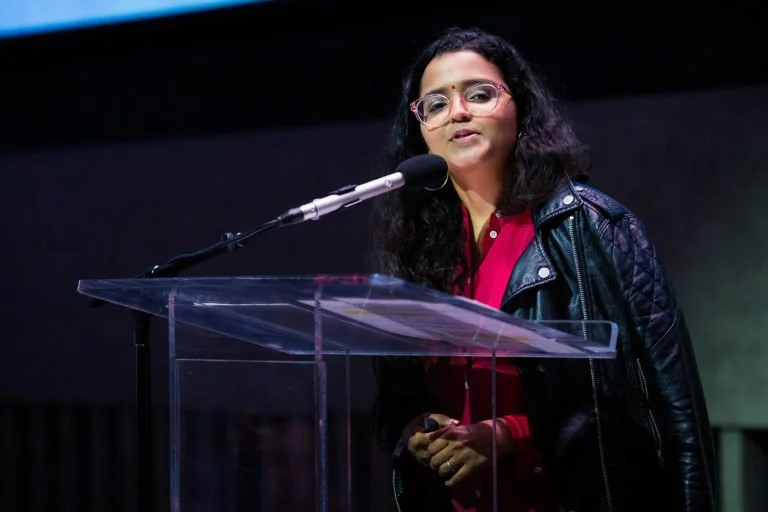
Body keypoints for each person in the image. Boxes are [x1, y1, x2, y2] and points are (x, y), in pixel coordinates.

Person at [370, 27, 716, 512]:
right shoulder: (415, 247)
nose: (459, 112)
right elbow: (402, 395)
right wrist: (417, 431)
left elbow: (663, 409)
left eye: (479, 93)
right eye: (436, 104)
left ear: (520, 106)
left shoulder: (593, 226)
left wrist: (509, 435)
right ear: (420, 127)